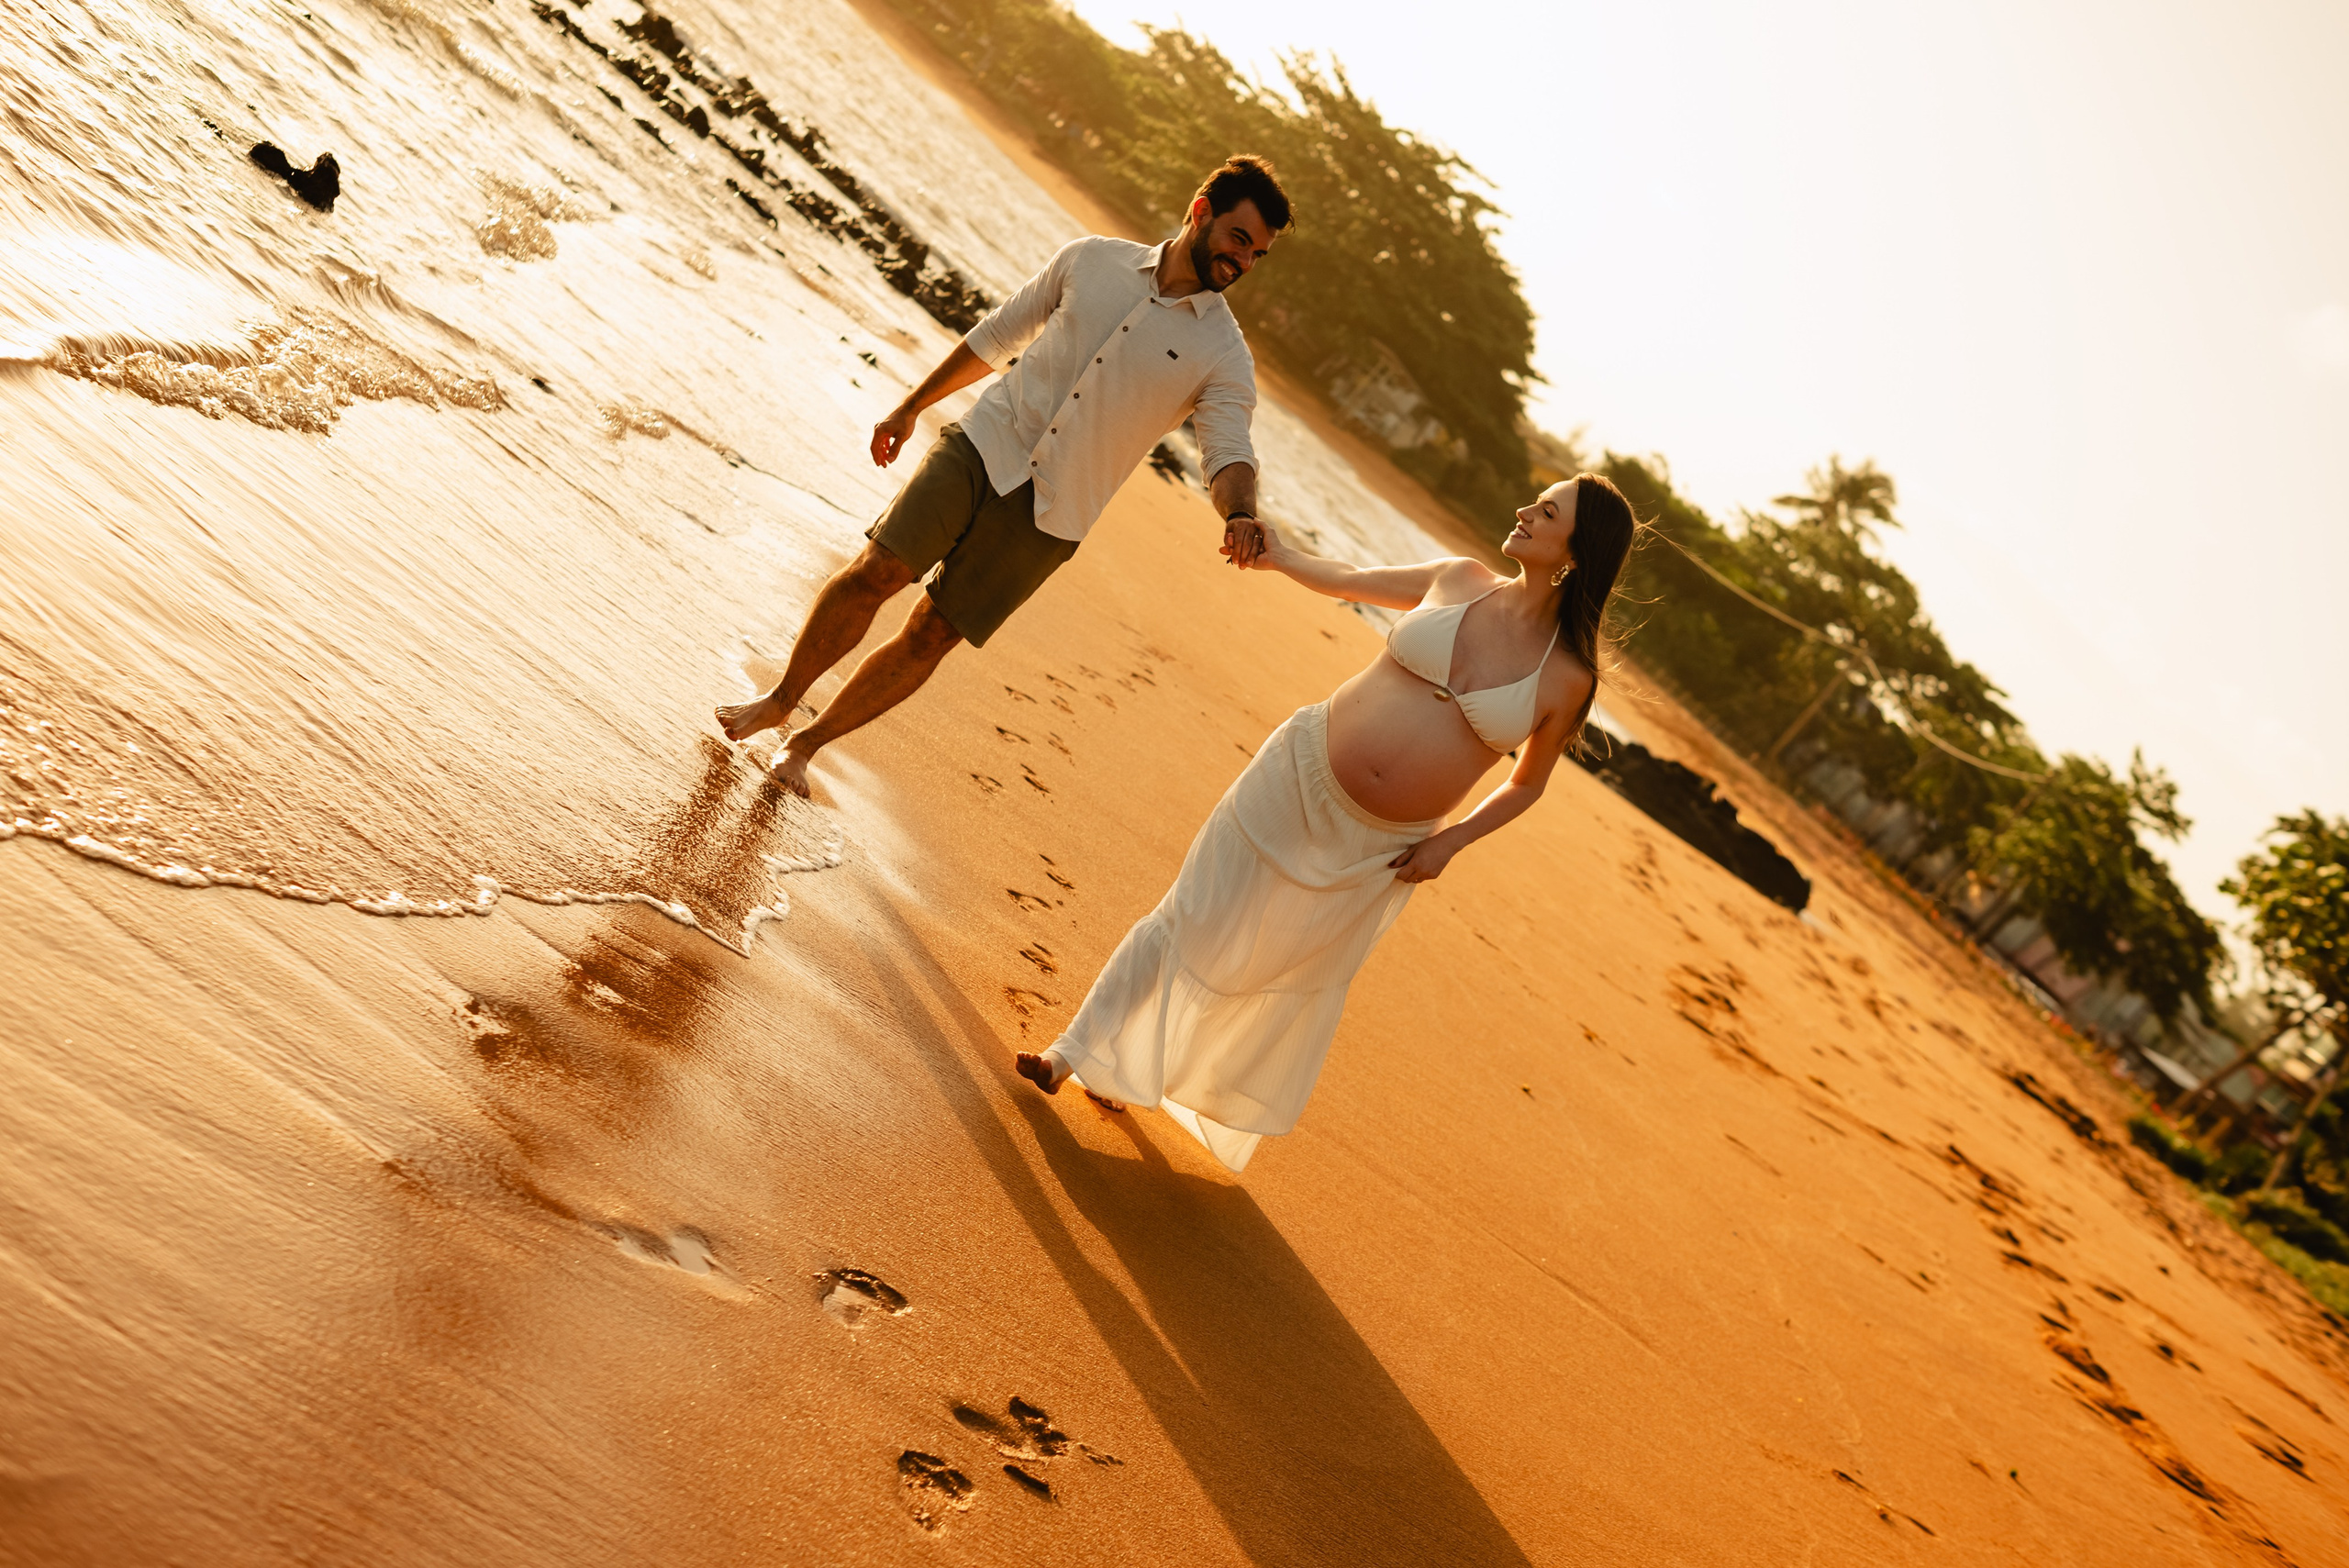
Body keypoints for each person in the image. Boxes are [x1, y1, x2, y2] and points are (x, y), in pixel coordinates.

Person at [1015, 473, 1640, 1172]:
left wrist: (1452, 842)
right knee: (1190, 912)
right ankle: (1067, 1051)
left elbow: (1528, 784)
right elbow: (1349, 576)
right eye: (1533, 499)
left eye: (1547, 512)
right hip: (1300, 770)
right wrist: (1277, 554)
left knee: (1261, 961)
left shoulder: (1568, 678)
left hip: (1379, 849)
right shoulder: (1460, 578)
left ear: (1576, 552)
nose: (1524, 510)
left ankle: (1138, 1066)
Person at [716, 155, 1293, 795]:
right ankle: (781, 698)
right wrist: (911, 406)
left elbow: (1228, 450)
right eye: (1240, 240)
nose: (1242, 262)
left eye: (1257, 256)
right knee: (876, 571)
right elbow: (996, 336)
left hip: (1053, 512)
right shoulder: (1093, 260)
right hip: (987, 443)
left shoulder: (1224, 354)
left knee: (932, 633)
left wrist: (1240, 511)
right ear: (1201, 211)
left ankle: (805, 746)